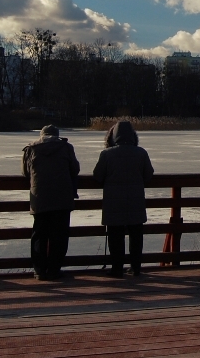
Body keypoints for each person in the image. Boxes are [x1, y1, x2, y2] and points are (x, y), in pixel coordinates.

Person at [93, 120, 154, 277]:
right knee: (136, 235)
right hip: (135, 200)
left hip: (113, 202)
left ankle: (117, 268)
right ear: (133, 136)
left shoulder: (107, 154)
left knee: (115, 236)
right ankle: (136, 267)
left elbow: (98, 176)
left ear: (113, 136)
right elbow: (148, 174)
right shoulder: (141, 153)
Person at [22, 124, 79, 280]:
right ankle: (54, 269)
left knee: (39, 234)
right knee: (59, 235)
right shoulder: (66, 147)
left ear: (41, 135)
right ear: (57, 135)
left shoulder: (31, 149)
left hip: (39, 197)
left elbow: (25, 172)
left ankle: (39, 270)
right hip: (62, 197)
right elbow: (75, 169)